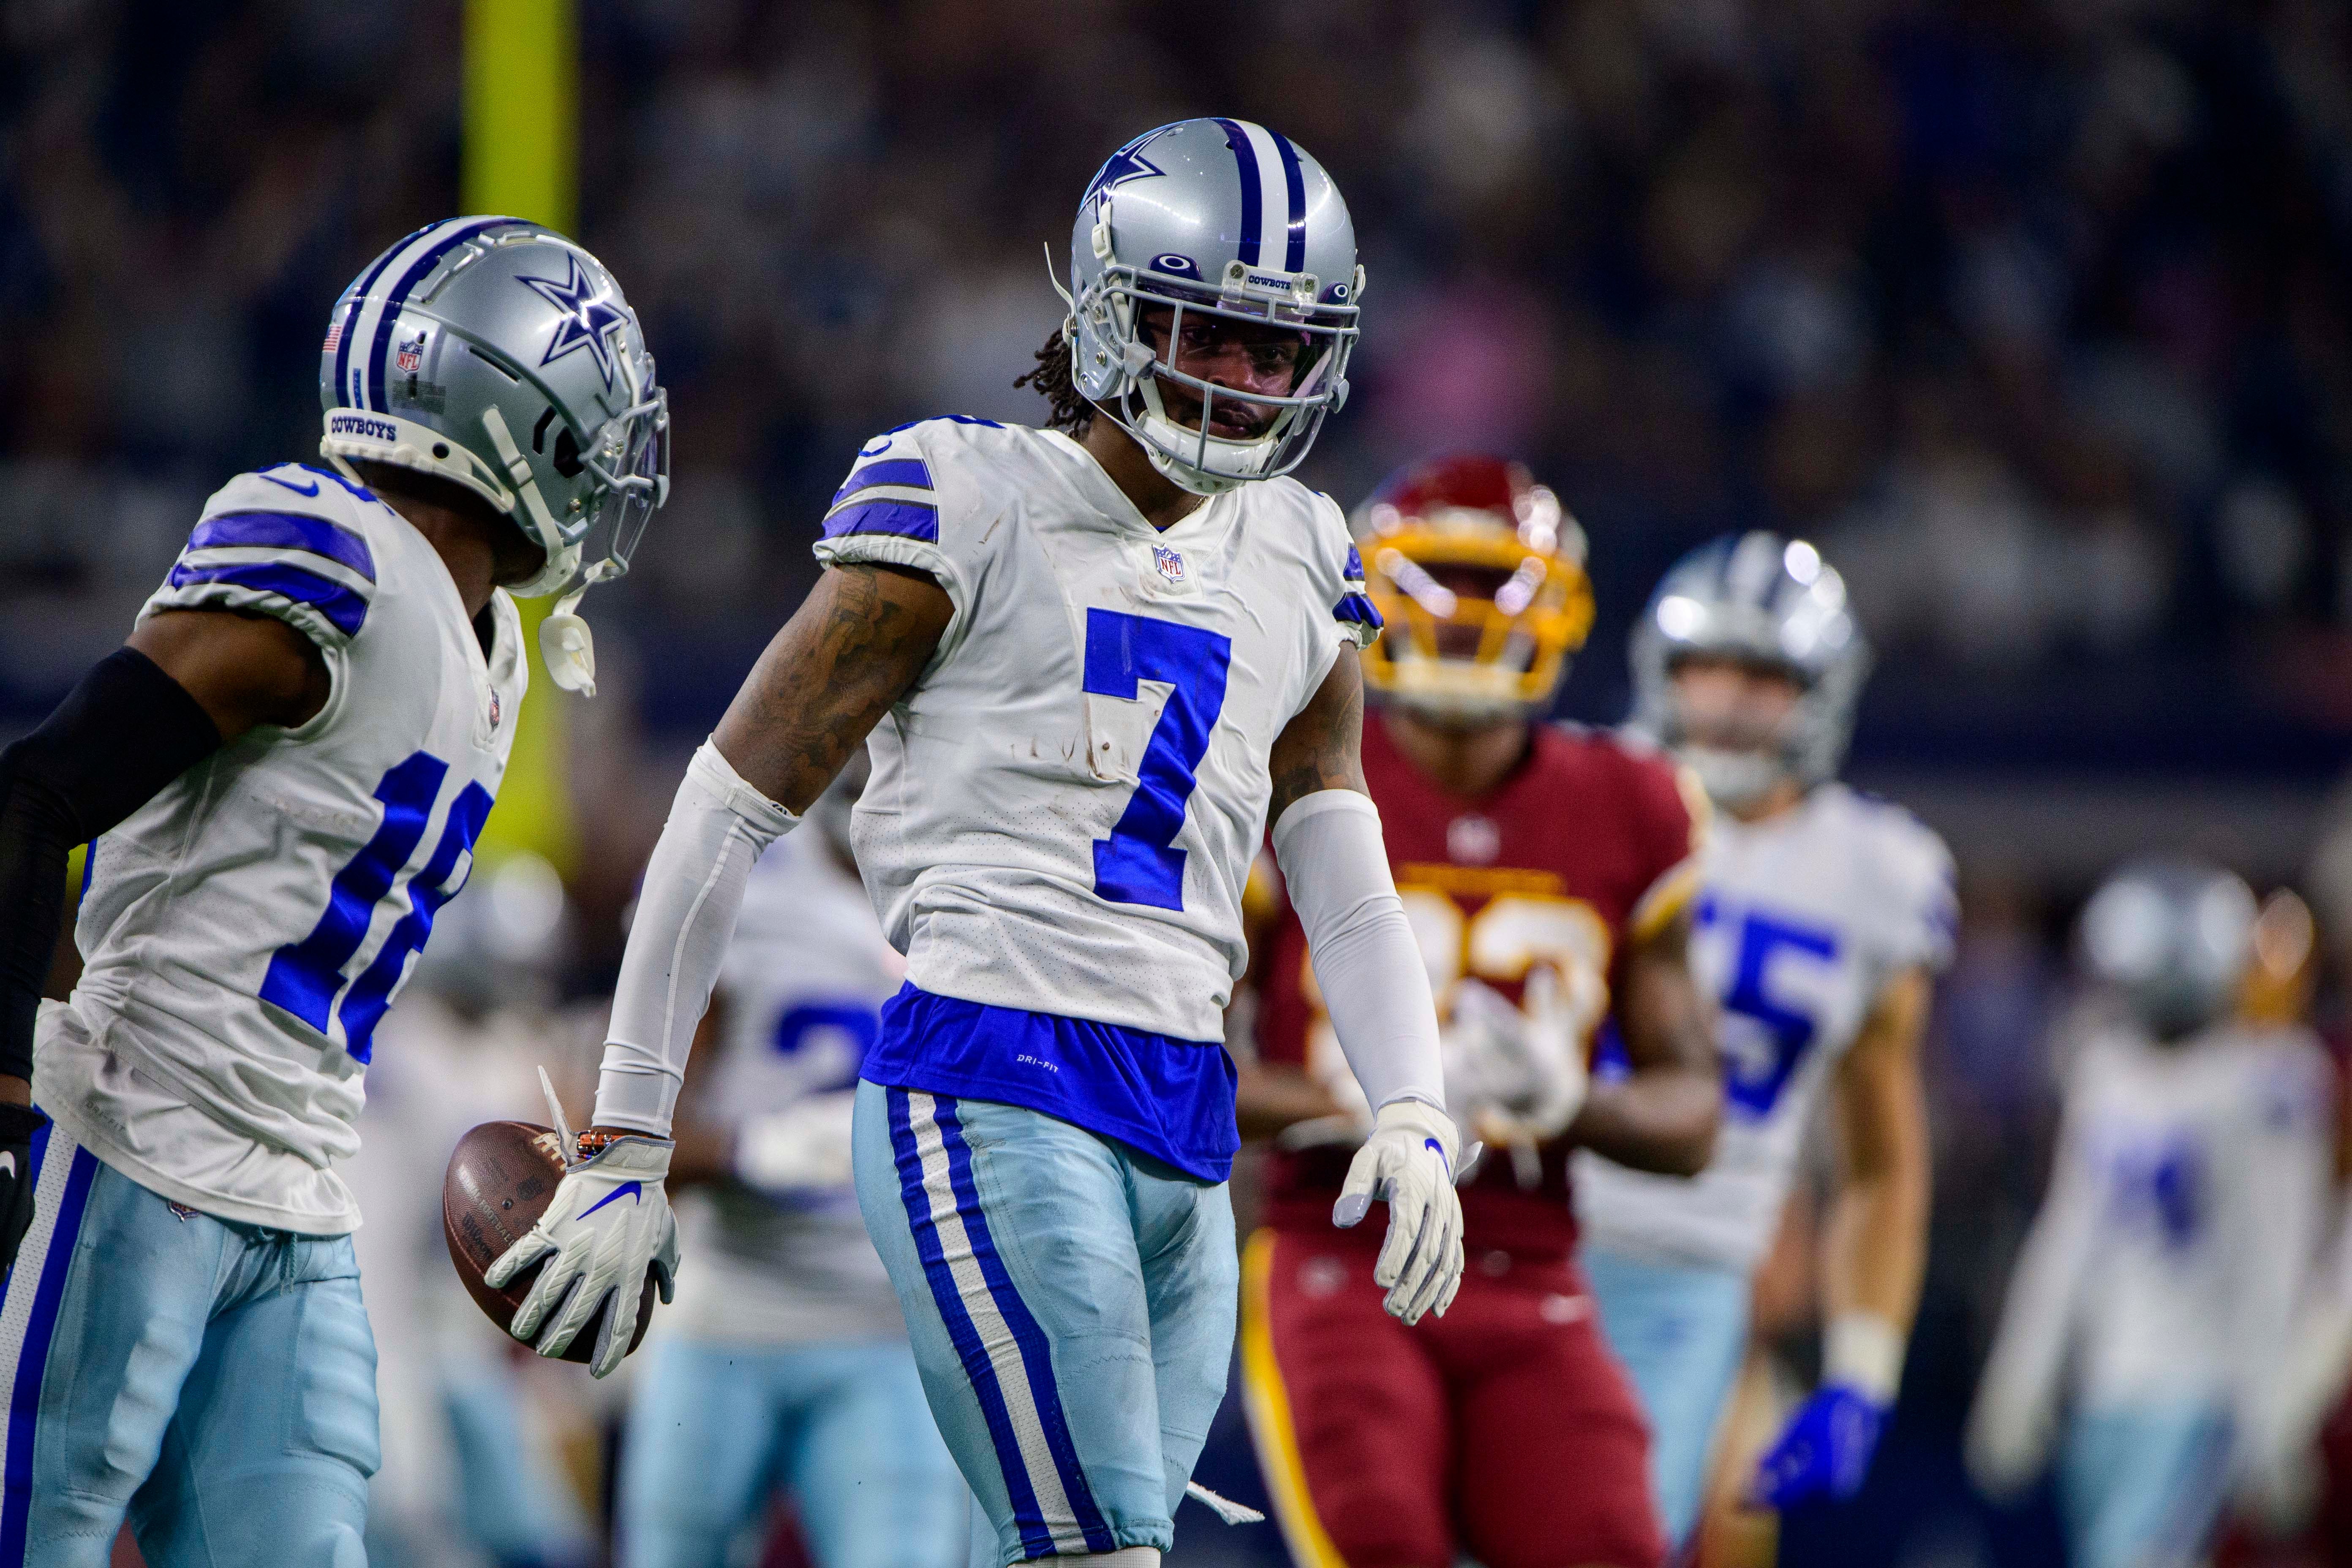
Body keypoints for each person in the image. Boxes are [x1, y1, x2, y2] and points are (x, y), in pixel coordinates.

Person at [488, 119, 1467, 1568]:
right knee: (1101, 1553)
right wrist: (627, 1136)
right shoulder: (965, 495)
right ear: (1111, 307)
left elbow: (1336, 849)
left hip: (1180, 1114)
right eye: (1210, 330)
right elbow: (724, 805)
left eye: (1281, 347)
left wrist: (1411, 1105)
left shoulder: (1303, 548)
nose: (1245, 380)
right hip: (992, 1067)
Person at [0, 217, 667, 1565]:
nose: (607, 463)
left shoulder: (498, 651)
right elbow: (31, 804)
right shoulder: (329, 552)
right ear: (514, 410)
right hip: (134, 1147)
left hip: (304, 1196)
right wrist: (6, 1109)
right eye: (592, 419)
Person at [1233, 454, 1719, 1568]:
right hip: (1338, 1252)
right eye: (1436, 581)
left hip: (1533, 1269)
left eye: (1488, 583)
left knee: (1611, 1545)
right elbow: (1173, 1059)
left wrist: (1567, 1101)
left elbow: (1694, 1118)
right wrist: (1353, 1099)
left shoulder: (1631, 803)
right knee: (1380, 1540)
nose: (1459, 621)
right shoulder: (1279, 770)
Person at [1573, 532, 1950, 1549]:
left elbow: (1881, 1163)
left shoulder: (1878, 871)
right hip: (1525, 1229)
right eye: (1705, 666)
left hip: (1701, 1267)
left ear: (1820, 692)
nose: (1728, 700)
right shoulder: (1581, 789)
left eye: (1764, 674)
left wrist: (1863, 1370)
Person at [618, 758, 965, 1568]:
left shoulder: (980, 902)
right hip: (731, 1309)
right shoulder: (752, 887)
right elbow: (625, 1126)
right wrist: (758, 1148)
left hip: (893, 1327)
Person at [1968, 858, 2333, 1568]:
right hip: (2107, 1382)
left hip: (2199, 1383)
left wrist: (2272, 1412)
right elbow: (2068, 1237)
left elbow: (2274, 1261)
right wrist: (2022, 1371)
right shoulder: (2107, 1072)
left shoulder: (2266, 1083)